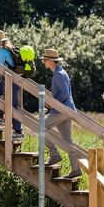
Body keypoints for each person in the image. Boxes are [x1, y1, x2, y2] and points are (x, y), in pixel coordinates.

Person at [42, 48, 81, 178]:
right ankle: (75, 169)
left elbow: (64, 93)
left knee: (42, 127)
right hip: (67, 109)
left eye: (45, 60)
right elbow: (64, 93)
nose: (43, 62)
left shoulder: (58, 74)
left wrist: (53, 103)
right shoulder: (60, 72)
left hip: (62, 109)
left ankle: (54, 155)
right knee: (67, 140)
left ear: (51, 61)